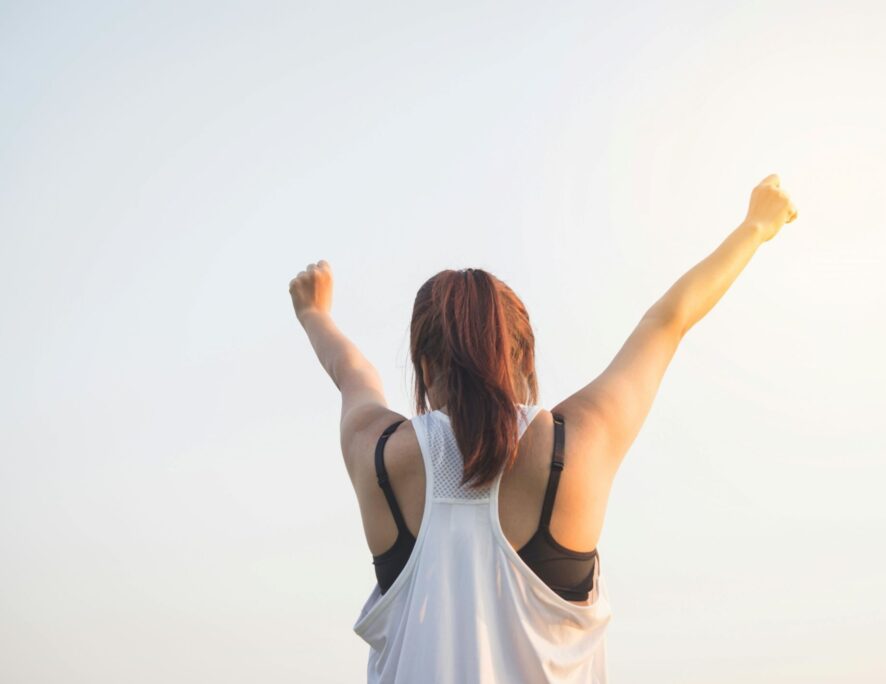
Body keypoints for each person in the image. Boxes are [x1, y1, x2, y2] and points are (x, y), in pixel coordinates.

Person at [289, 174, 799, 683]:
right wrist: (755, 226)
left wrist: (314, 313)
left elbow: (352, 373)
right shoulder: (576, 446)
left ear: (423, 366)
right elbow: (667, 322)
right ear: (524, 358)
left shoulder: (377, 457)